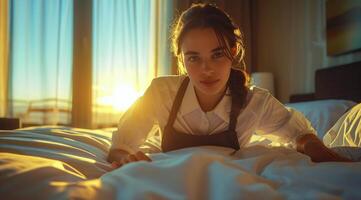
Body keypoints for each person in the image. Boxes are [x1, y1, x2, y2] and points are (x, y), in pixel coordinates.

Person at [107, 3, 351, 169]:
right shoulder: (161, 93)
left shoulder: (254, 102)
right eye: (193, 57)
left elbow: (299, 133)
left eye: (217, 54)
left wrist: (324, 154)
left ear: (233, 52)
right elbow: (121, 145)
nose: (207, 69)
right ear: (181, 59)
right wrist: (126, 159)